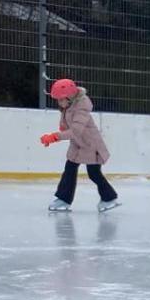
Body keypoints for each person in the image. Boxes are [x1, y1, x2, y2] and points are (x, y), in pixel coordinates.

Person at [39, 79, 119, 213]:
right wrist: (61, 130)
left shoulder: (81, 107)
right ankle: (63, 199)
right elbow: (68, 126)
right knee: (69, 169)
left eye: (60, 99)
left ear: (70, 97)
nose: (58, 103)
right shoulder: (68, 107)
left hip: (90, 144)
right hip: (78, 144)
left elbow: (76, 130)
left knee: (94, 173)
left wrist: (54, 137)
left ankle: (109, 198)